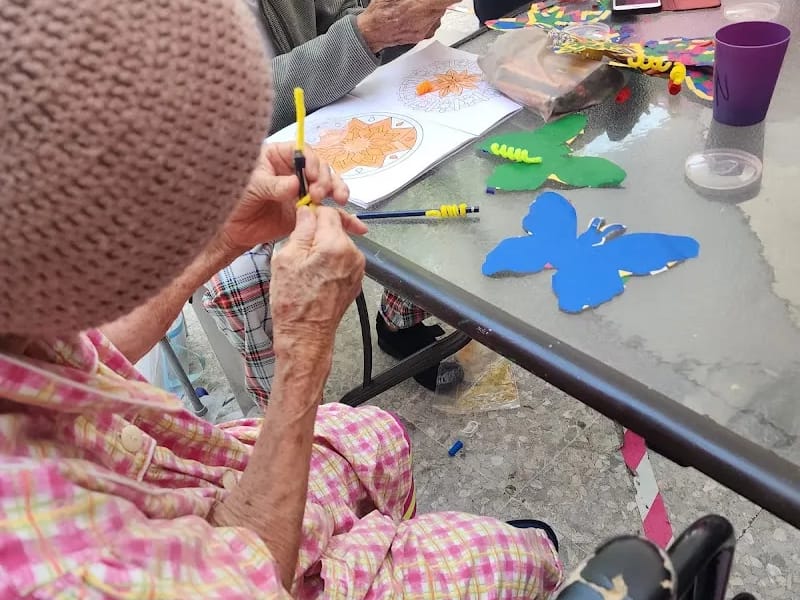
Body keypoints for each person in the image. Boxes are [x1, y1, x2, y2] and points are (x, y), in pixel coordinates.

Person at [0, 1, 563, 598]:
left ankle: (391, 525)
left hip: (187, 475)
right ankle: (515, 556)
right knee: (519, 557)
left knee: (372, 434)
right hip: (250, 566)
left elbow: (83, 350)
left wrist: (221, 240)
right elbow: (248, 577)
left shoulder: (25, 316)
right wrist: (304, 351)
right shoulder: (41, 560)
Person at [202, 0, 465, 408]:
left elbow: (345, 16)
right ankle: (292, 414)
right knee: (238, 279)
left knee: (437, 159)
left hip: (319, 120)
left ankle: (399, 322)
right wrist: (365, 35)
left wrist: (398, 27)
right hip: (214, 162)